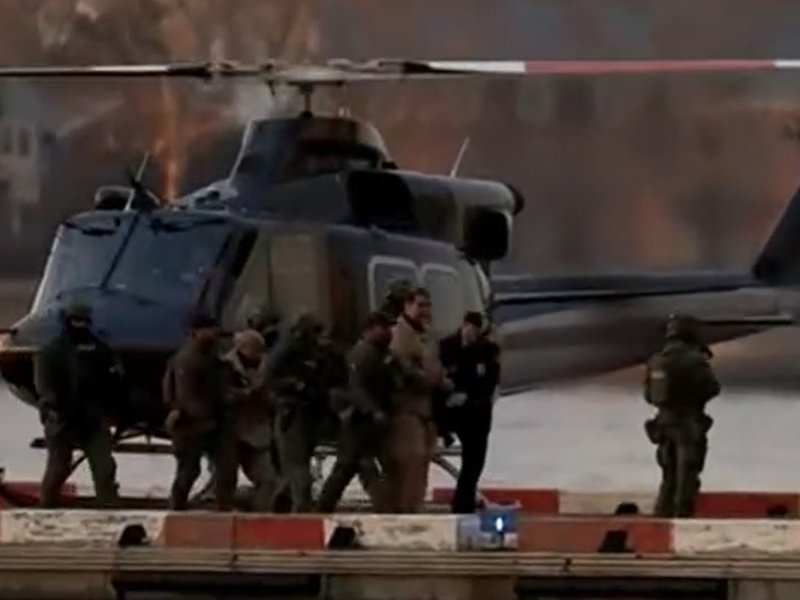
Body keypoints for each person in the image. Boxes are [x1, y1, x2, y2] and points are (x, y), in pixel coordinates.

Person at [34, 302, 122, 508]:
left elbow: (113, 381)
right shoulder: (52, 351)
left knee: (104, 466)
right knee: (58, 466)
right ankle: (46, 504)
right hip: (62, 417)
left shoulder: (100, 350)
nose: (79, 325)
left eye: (83, 321)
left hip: (92, 417)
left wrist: (109, 409)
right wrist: (54, 407)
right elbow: (45, 386)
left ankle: (109, 506)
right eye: (76, 320)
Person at [316, 312, 395, 512]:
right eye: (383, 327)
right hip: (357, 422)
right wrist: (373, 411)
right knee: (353, 466)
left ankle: (384, 508)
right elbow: (356, 388)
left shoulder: (377, 353)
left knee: (354, 467)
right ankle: (384, 508)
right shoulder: (363, 353)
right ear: (370, 329)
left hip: (365, 423)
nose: (388, 332)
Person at [644, 313, 720, 517]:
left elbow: (648, 395)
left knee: (668, 474)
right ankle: (682, 515)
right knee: (687, 474)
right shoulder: (694, 360)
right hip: (687, 424)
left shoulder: (656, 360)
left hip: (663, 423)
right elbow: (712, 388)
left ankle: (662, 514)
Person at [385, 287, 453, 513]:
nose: (425, 310)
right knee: (409, 460)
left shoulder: (427, 335)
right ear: (407, 305)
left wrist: (444, 381)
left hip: (426, 409)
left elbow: (434, 366)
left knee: (422, 460)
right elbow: (403, 371)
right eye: (420, 305)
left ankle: (415, 506)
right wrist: (428, 379)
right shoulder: (399, 334)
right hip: (406, 409)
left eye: (428, 305)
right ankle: (403, 510)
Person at [163, 311, 236, 511]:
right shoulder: (189, 359)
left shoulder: (211, 354)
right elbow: (187, 396)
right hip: (192, 425)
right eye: (207, 329)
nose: (213, 333)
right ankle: (176, 506)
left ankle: (224, 506)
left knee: (226, 468)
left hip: (211, 421)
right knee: (188, 470)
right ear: (195, 332)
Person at [439, 311, 501, 513]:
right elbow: (440, 377)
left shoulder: (486, 350)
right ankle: (462, 504)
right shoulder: (448, 346)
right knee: (469, 458)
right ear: (465, 325)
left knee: (475, 462)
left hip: (479, 412)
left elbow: (491, 381)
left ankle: (463, 502)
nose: (474, 336)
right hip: (457, 413)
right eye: (473, 331)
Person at [268, 313, 329, 512]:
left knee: (295, 464)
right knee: (296, 465)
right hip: (291, 411)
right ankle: (300, 507)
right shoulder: (286, 351)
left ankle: (281, 506)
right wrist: (294, 384)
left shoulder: (312, 351)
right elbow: (268, 378)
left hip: (308, 412)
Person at [220, 329, 278, 512]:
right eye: (256, 349)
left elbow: (270, 395)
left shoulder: (263, 366)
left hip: (256, 432)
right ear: (243, 348)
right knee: (225, 480)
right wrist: (248, 393)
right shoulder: (225, 367)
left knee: (268, 479)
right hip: (230, 432)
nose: (260, 354)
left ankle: (261, 514)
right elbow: (221, 397)